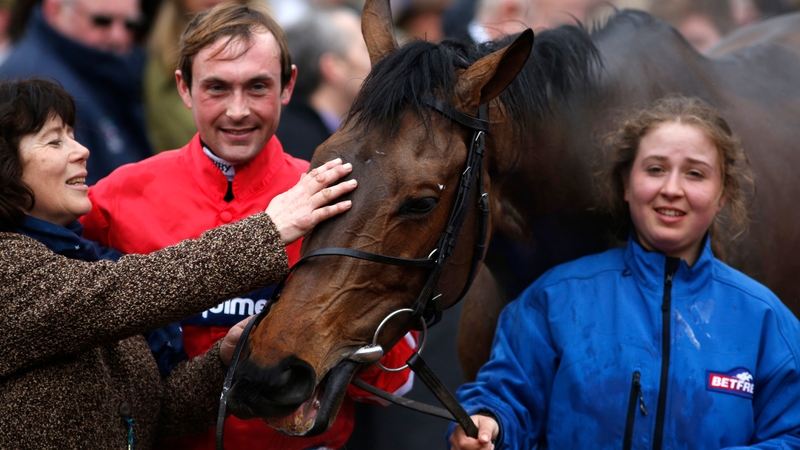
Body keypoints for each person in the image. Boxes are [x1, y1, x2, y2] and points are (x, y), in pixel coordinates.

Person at [80, 3, 417, 449]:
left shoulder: (338, 196)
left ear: (288, 85)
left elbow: (397, 379)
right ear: (184, 88)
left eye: (257, 86)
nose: (237, 111)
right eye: (217, 88)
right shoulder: (117, 197)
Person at [0, 77, 356, 448]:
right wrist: (269, 229)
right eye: (56, 140)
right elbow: (127, 291)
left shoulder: (80, 257)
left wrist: (223, 361)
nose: (82, 151)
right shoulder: (7, 267)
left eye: (73, 135)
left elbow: (155, 414)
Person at [447, 95, 800, 449]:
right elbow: (505, 400)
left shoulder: (765, 320)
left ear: (722, 194)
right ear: (626, 185)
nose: (672, 189)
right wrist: (488, 422)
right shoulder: (553, 301)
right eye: (655, 169)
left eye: (695, 173)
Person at [0, 0, 153, 185]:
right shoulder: (31, 82)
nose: (118, 36)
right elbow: (43, 200)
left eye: (131, 24)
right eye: (101, 21)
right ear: (55, 10)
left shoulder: (110, 70)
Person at [275, 6, 371, 161]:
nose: (377, 59)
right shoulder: (300, 147)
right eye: (365, 49)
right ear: (333, 68)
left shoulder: (330, 133)